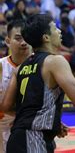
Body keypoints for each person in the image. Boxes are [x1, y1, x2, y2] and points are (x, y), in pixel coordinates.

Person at [0, 14, 75, 152]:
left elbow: (6, 106)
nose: (59, 31)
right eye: (55, 28)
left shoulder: (19, 68)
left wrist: (50, 118)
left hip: (16, 138)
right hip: (34, 137)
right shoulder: (55, 61)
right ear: (46, 37)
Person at [0, 20, 31, 152]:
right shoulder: (2, 66)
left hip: (31, 128)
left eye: (27, 38)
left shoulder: (42, 65)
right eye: (18, 38)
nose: (23, 42)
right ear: (7, 41)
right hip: (4, 129)